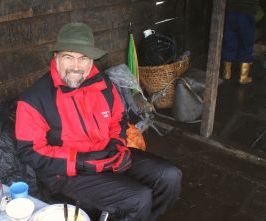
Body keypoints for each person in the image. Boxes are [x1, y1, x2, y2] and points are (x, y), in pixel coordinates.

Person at [15, 22, 182, 221]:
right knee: (138, 198)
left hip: (107, 155)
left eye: (83, 58)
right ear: (56, 57)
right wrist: (79, 162)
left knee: (169, 176)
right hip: (67, 173)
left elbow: (118, 120)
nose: (76, 66)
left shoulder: (104, 85)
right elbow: (29, 150)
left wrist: (117, 147)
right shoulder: (35, 98)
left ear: (91, 60)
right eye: (69, 57)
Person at [222, 0, 263, 84]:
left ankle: (226, 73)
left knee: (229, 42)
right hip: (246, 14)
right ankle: (243, 77)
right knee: (246, 45)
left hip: (230, 13)